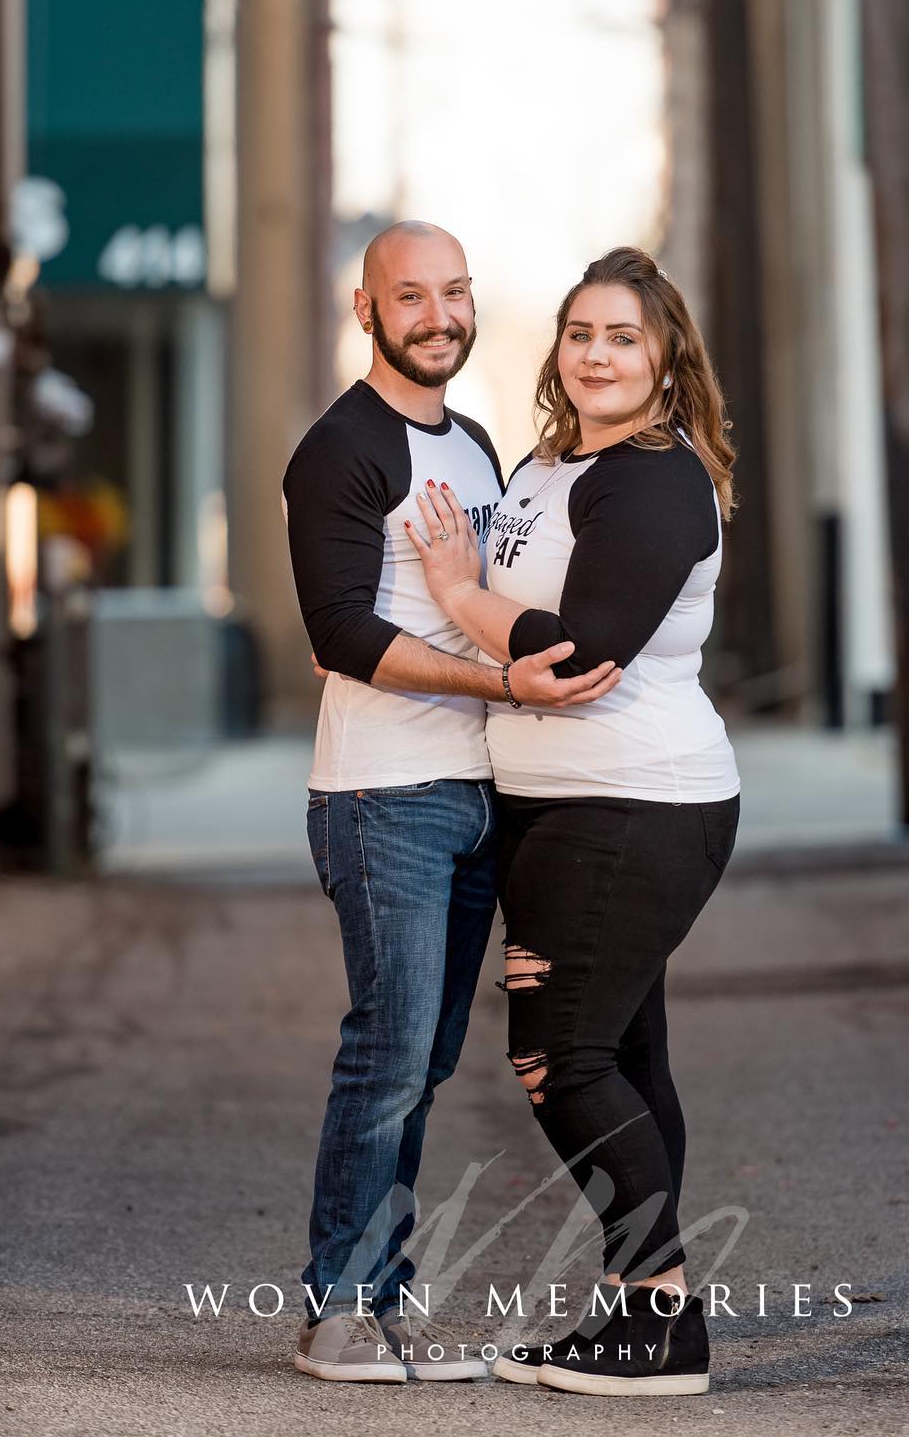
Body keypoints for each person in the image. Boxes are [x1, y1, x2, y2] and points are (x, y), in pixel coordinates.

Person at [281, 221, 621, 1384]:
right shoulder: (340, 451)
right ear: (366, 309)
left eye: (456, 293)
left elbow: (483, 595)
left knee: (424, 1058)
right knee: (387, 1050)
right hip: (386, 794)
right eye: (411, 296)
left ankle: (383, 1300)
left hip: (479, 793)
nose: (439, 316)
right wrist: (496, 679)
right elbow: (340, 634)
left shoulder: (475, 446)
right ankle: (337, 1315)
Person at [404, 246, 741, 1397]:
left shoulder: (652, 477)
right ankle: (639, 1315)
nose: (598, 355)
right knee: (626, 1053)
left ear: (665, 360)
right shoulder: (556, 460)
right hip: (562, 802)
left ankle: (664, 1318)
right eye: (581, 333)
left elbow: (583, 649)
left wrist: (458, 596)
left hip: (634, 801)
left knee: (560, 1056)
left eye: (625, 339)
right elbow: (533, 631)